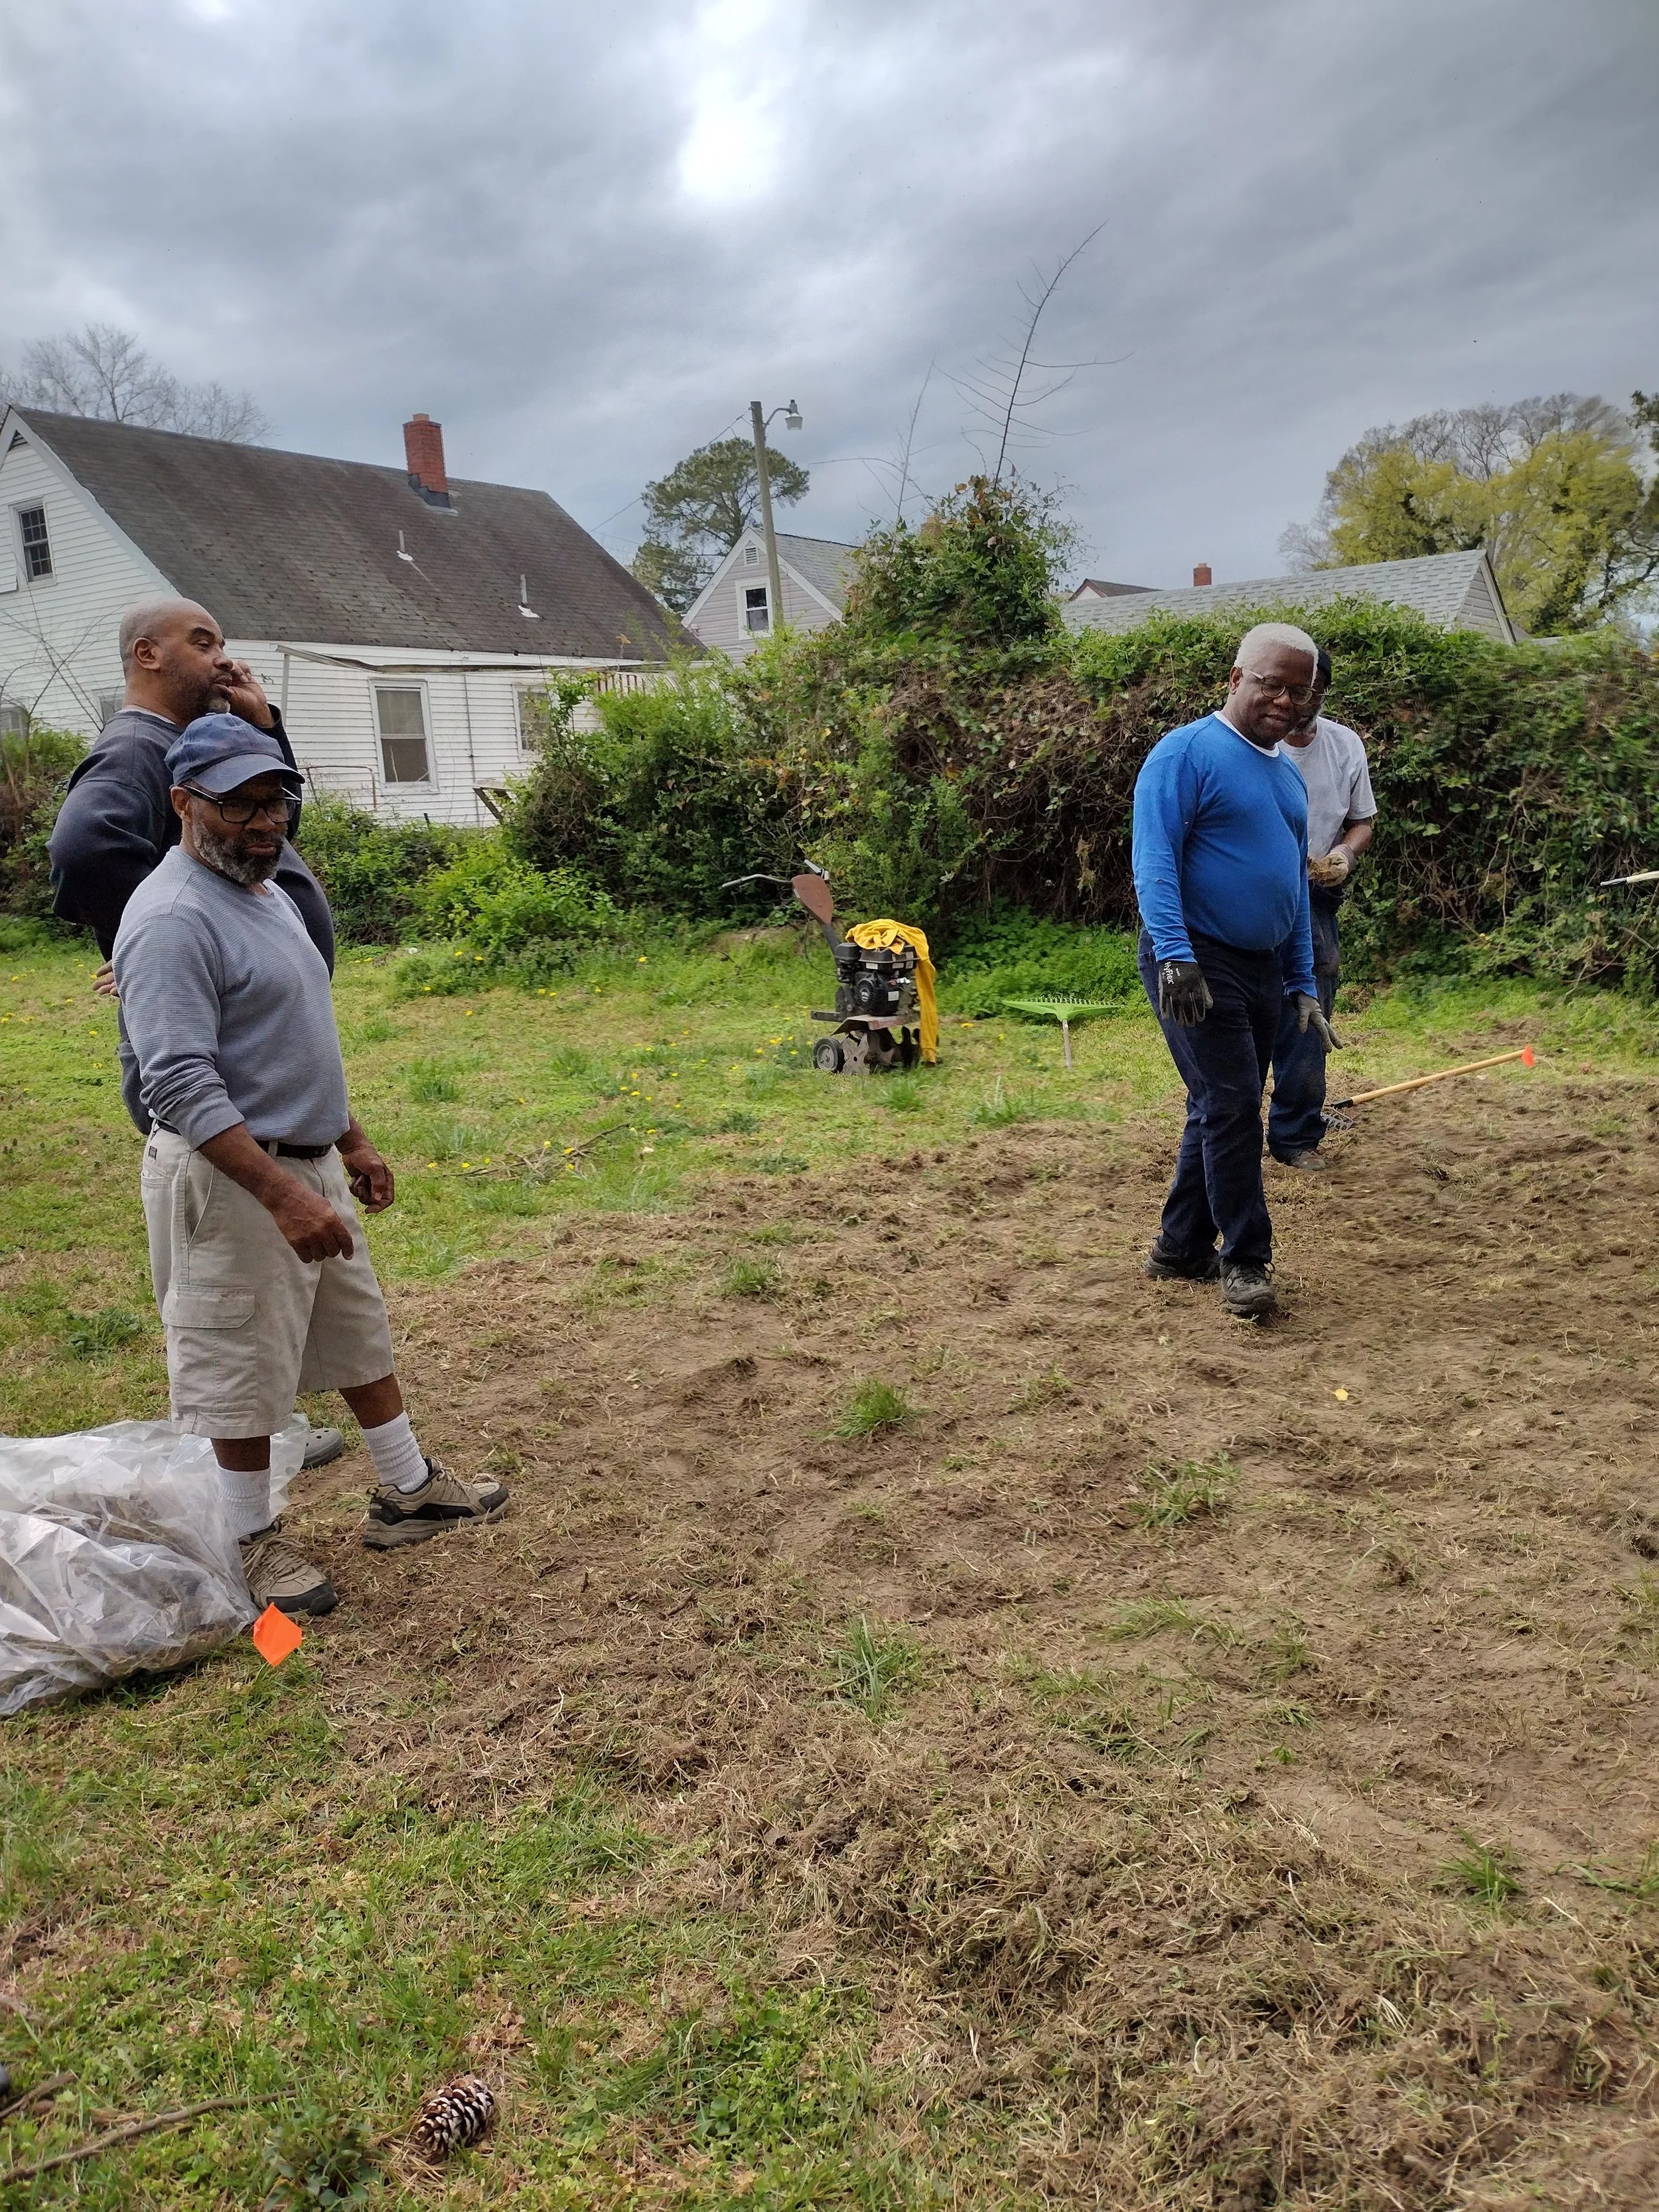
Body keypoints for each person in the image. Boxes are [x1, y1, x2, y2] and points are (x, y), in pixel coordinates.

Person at [111, 712, 510, 1617]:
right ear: (184, 802)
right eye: (240, 803)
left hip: (301, 1161)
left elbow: (295, 1038)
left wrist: (348, 1136)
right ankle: (249, 1540)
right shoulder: (171, 918)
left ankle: (409, 1488)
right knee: (242, 1368)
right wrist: (282, 1191)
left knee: (354, 1330)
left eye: (277, 799)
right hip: (234, 1179)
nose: (265, 821)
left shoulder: (263, 891)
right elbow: (176, 1080)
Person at [50, 597, 346, 1471]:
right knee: (229, 1265)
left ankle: (275, 1423)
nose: (223, 657)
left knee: (263, 1268)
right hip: (215, 1064)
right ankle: (249, 1452)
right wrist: (149, 935)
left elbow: (272, 838)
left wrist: (266, 731)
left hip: (257, 1047)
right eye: (202, 641)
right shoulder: (138, 746)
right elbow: (83, 849)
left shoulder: (204, 745)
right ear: (146, 653)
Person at [1131, 622, 1340, 1320]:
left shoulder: (1284, 775)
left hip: (1262, 963)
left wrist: (1302, 982)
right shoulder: (1186, 753)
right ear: (1235, 679)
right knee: (1229, 1106)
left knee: (1220, 1104)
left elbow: (1291, 885)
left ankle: (1180, 1245)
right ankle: (1245, 1260)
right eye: (1270, 684)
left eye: (1298, 689)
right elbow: (1154, 860)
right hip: (1195, 955)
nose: (1284, 699)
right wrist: (1175, 956)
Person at [1267, 648, 1376, 1169]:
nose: (1300, 701)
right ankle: (1229, 1121)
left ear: (1323, 692)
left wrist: (1344, 855)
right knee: (1244, 1003)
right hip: (1259, 889)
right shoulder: (1254, 745)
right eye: (1292, 688)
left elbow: (1362, 820)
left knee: (1310, 1007)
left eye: (1312, 690)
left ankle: (1295, 1133)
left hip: (1315, 895)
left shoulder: (1345, 745)